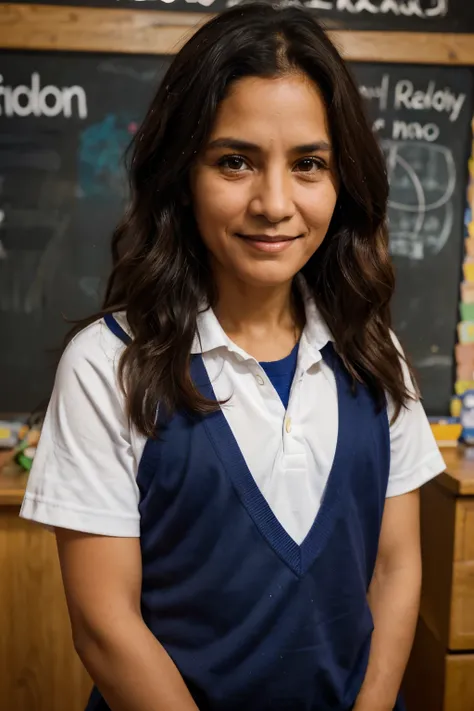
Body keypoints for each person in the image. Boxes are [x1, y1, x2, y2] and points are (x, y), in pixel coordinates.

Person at [20, 3, 446, 710]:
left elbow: (398, 568)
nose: (274, 202)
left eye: (309, 163)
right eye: (235, 161)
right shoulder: (109, 365)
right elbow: (105, 627)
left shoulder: (375, 353)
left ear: (344, 183)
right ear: (183, 174)